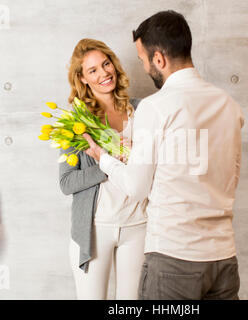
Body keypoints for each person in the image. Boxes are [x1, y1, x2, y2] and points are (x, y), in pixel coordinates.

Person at [83, 10, 245, 300]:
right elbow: (230, 176)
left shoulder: (155, 107)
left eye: (144, 61)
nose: (145, 68)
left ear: (159, 59)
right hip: (224, 259)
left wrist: (102, 158)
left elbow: (135, 187)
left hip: (174, 259)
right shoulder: (229, 105)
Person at [59, 38, 148, 300]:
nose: (103, 74)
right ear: (83, 79)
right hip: (95, 230)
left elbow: (156, 166)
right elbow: (66, 183)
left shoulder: (141, 110)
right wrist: (108, 162)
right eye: (93, 70)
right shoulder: (76, 123)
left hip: (139, 225)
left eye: (105, 64)